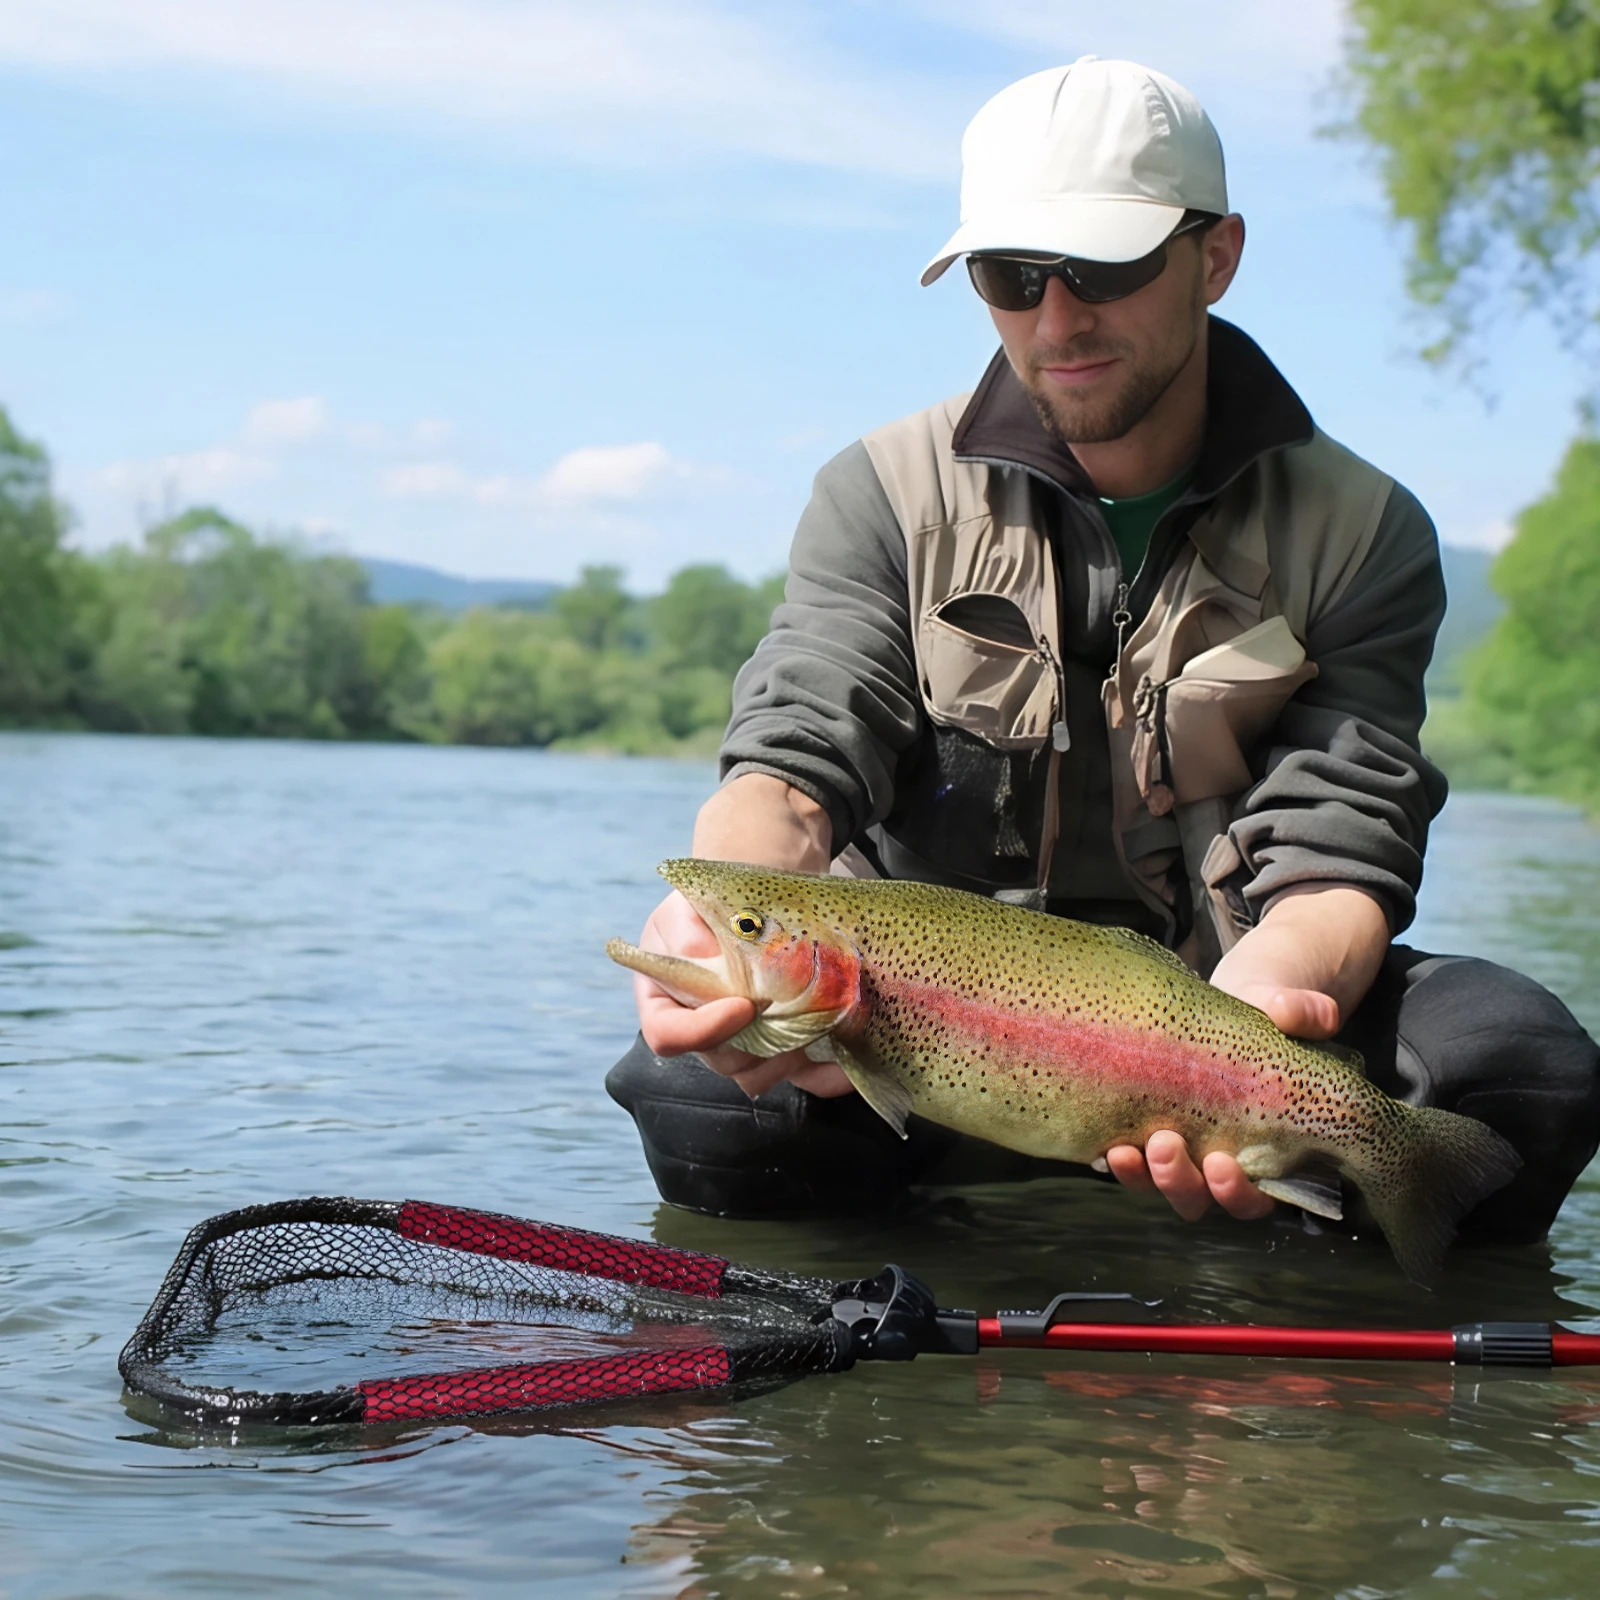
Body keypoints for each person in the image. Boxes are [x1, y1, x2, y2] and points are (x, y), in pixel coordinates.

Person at [608, 57, 1600, 1245]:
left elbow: (1339, 844)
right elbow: (792, 757)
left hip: (1217, 1009)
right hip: (920, 1024)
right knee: (694, 1099)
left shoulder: (1363, 530)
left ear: (1215, 256)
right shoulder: (879, 493)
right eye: (1010, 277)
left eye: (1105, 268)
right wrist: (723, 925)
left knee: (1519, 1071)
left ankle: (1297, 1250)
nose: (1055, 318)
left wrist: (1254, 1033)